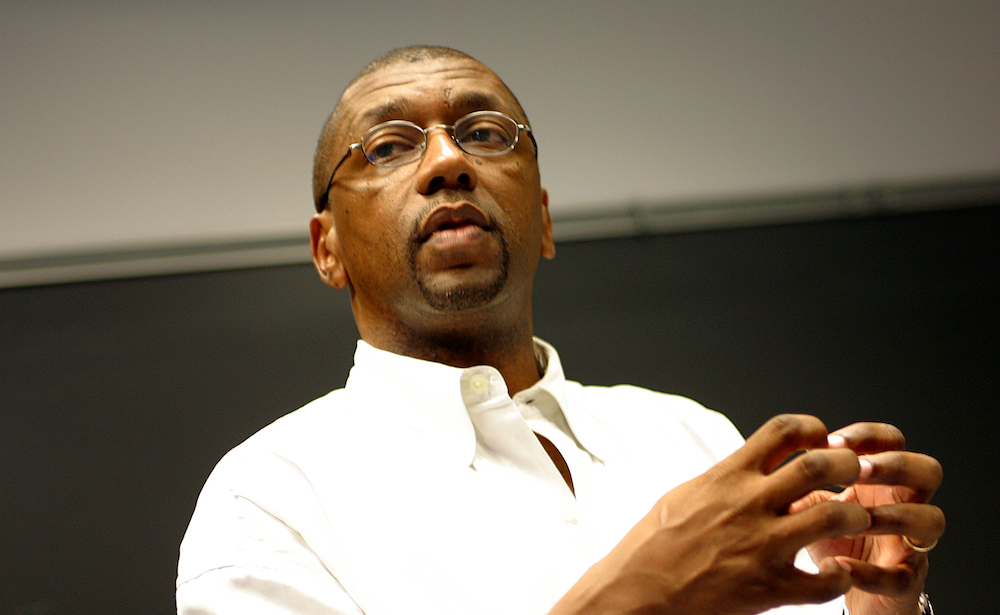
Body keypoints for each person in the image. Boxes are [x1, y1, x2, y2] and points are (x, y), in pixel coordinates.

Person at [176, 46, 944, 615]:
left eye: (483, 132)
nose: (448, 160)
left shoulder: (693, 437)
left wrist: (875, 607)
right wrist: (640, 593)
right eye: (388, 145)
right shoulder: (268, 498)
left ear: (541, 220)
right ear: (327, 249)